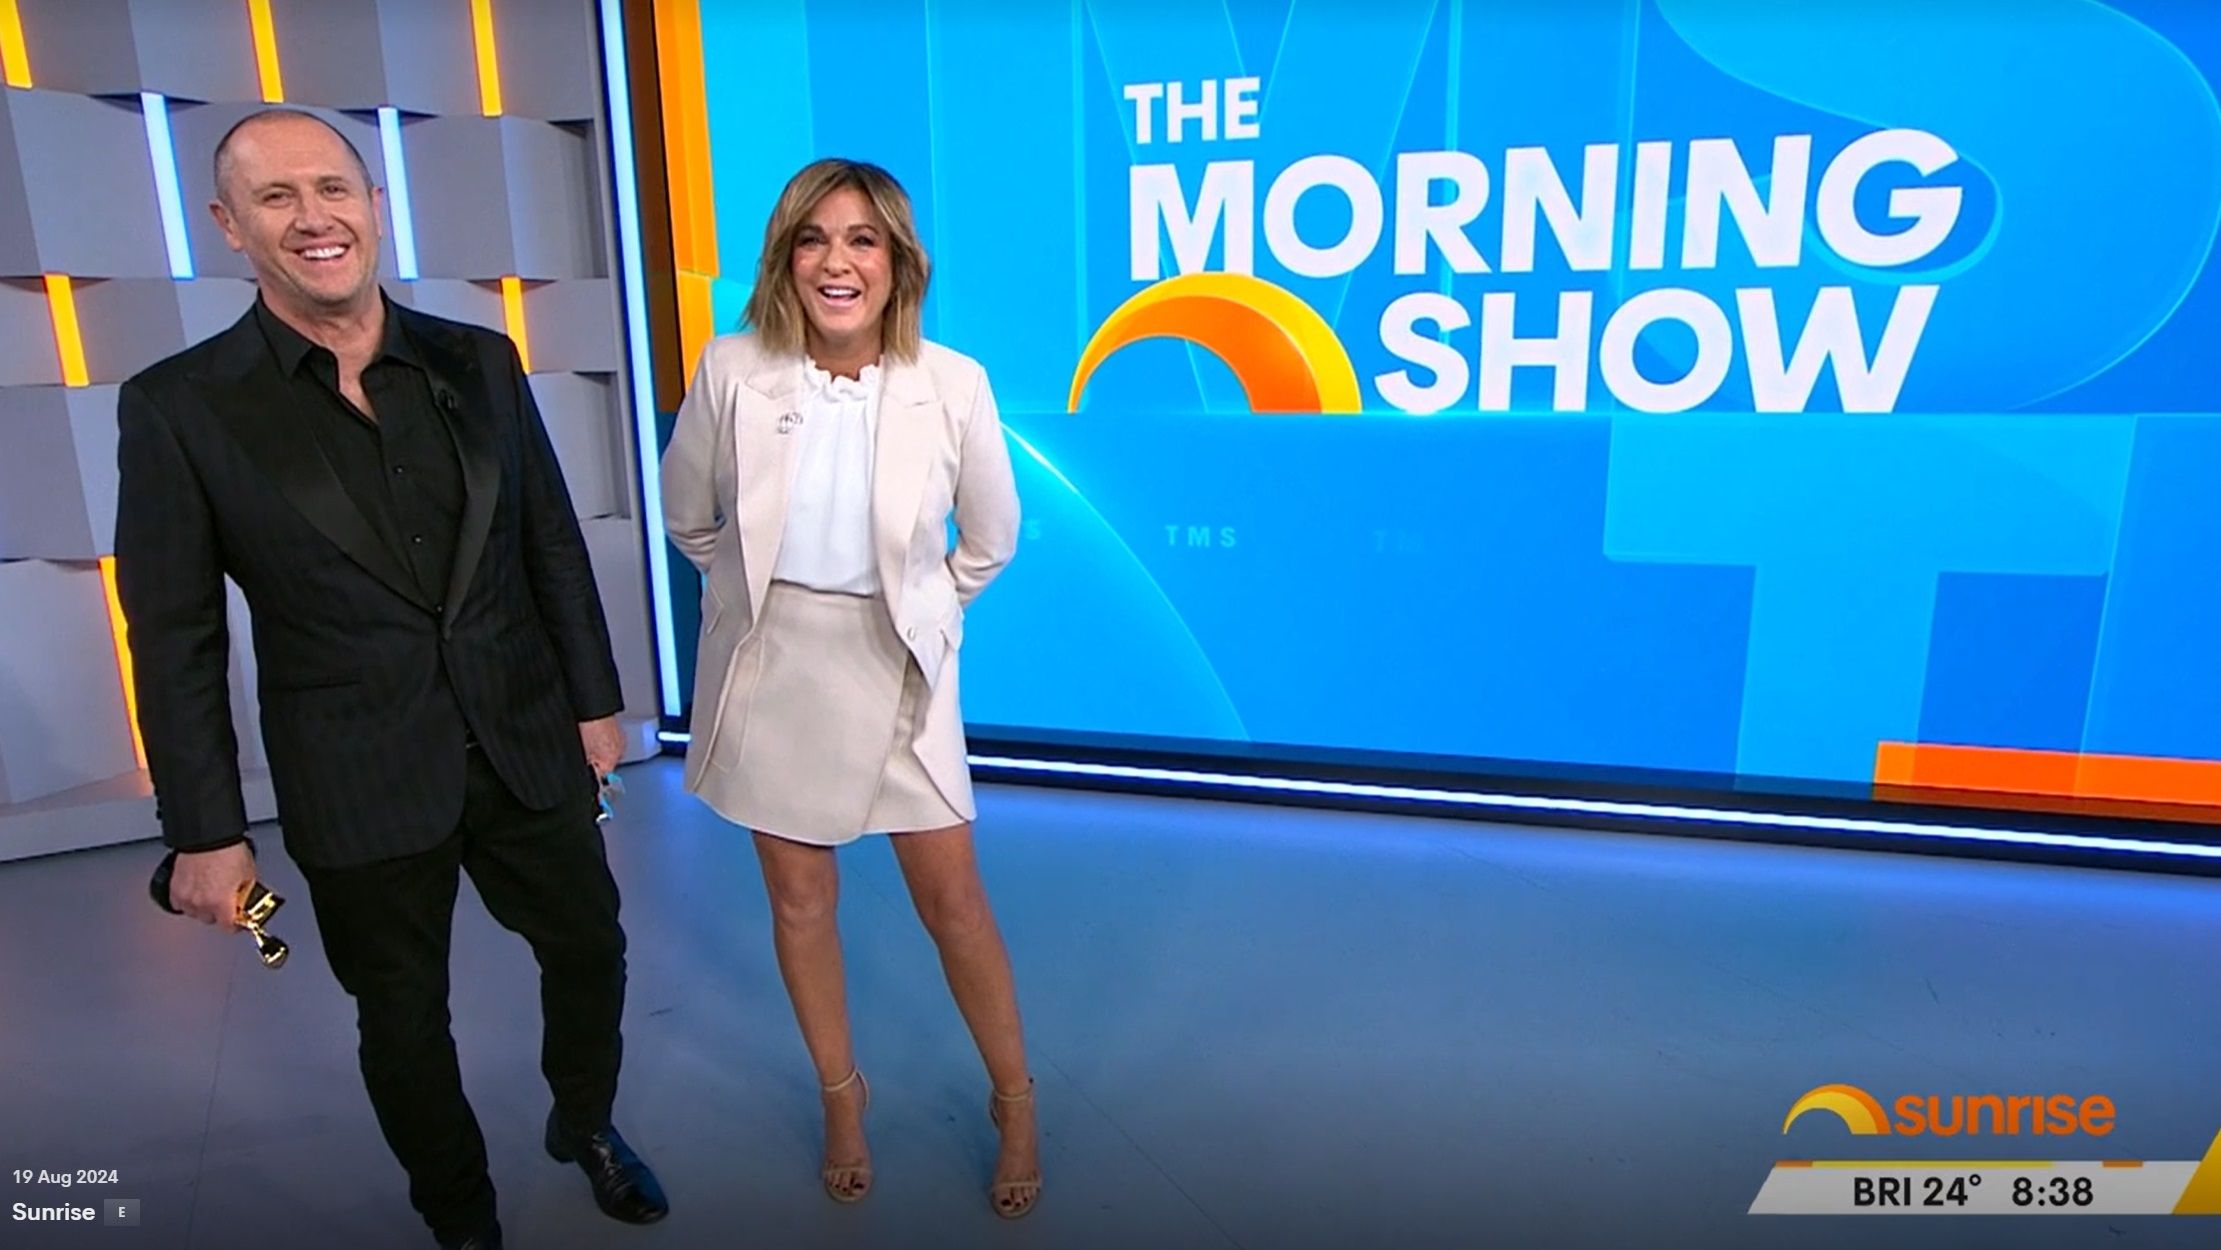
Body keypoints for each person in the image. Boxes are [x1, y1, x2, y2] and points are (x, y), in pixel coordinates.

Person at [113, 108, 667, 1250]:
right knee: (404, 1017)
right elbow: (174, 636)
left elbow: (548, 540)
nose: (312, 217)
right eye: (275, 197)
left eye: (332, 188)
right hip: (353, 772)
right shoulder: (180, 405)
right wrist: (206, 831)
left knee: (590, 949)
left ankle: (585, 1122)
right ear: (228, 225)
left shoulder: (480, 358)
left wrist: (593, 702)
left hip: (522, 736)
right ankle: (460, 1216)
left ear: (374, 204)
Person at [660, 158, 1039, 1217]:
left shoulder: (951, 382)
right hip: (776, 665)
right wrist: (760, 599)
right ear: (785, 258)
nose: (837, 261)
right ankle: (842, 1097)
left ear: (896, 263)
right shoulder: (732, 368)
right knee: (800, 901)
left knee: (953, 902)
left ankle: (1014, 1098)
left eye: (862, 239)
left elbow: (991, 539)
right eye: (814, 238)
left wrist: (921, 610)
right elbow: (689, 519)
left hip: (896, 662)